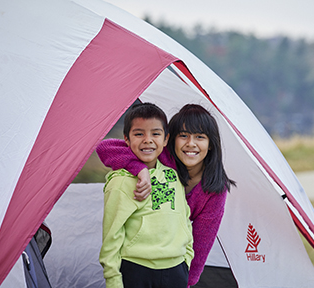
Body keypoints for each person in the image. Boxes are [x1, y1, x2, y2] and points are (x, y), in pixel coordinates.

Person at [97, 104, 236, 287]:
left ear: (211, 144)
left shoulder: (215, 189)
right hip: (139, 262)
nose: (191, 144)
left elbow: (202, 241)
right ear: (170, 140)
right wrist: (140, 169)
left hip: (174, 268)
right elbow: (105, 148)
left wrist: (186, 279)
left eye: (200, 137)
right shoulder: (163, 158)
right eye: (183, 135)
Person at [99, 103, 194, 288]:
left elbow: (184, 218)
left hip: (176, 270)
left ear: (166, 139)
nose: (148, 140)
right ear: (126, 139)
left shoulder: (172, 175)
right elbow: (112, 235)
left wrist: (186, 260)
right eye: (139, 133)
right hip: (136, 269)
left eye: (155, 134)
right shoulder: (121, 182)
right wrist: (113, 281)